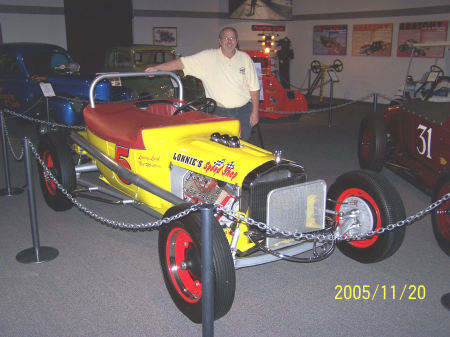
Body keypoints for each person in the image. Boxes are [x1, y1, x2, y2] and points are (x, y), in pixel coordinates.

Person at [145, 27, 260, 141]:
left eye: (232, 38)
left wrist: (255, 111)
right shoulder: (207, 57)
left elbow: (254, 87)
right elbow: (181, 63)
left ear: (236, 41)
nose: (229, 41)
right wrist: (158, 68)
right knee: (221, 147)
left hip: (244, 111)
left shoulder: (245, 58)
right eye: (225, 38)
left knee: (243, 145)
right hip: (219, 112)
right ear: (220, 41)